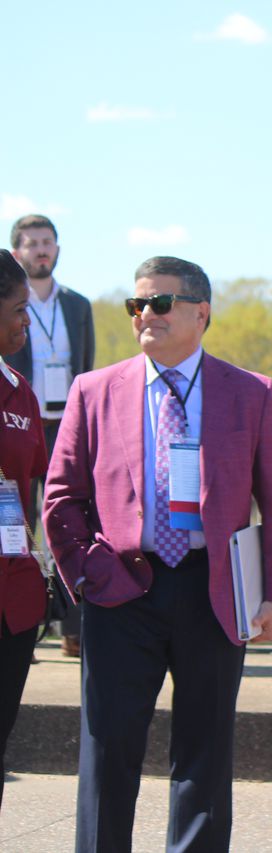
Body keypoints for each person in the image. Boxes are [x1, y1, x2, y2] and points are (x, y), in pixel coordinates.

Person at [43, 255, 272, 851]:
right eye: (137, 305)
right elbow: (61, 498)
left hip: (214, 590)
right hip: (121, 589)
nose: (145, 316)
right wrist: (88, 575)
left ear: (200, 312)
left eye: (159, 303)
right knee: (108, 750)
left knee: (205, 753)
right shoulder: (94, 390)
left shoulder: (251, 393)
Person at [8, 215, 94, 657]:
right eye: (32, 243)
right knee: (16, 522)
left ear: (57, 249)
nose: (42, 250)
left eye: (48, 242)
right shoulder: (11, 303)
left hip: (65, 426)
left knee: (67, 521)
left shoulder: (78, 305)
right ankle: (20, 622)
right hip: (19, 425)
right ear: (17, 251)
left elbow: (87, 366)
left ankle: (74, 628)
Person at [0, 250, 45, 812]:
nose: (24, 324)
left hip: (12, 601)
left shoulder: (20, 391)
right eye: (16, 310)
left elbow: (35, 487)